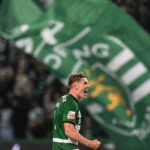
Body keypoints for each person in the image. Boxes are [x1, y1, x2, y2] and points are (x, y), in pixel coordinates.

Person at [52, 73, 101, 150]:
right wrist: (89, 143)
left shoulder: (63, 99)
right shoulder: (70, 103)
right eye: (85, 83)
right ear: (75, 86)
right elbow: (69, 131)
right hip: (66, 147)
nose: (88, 86)